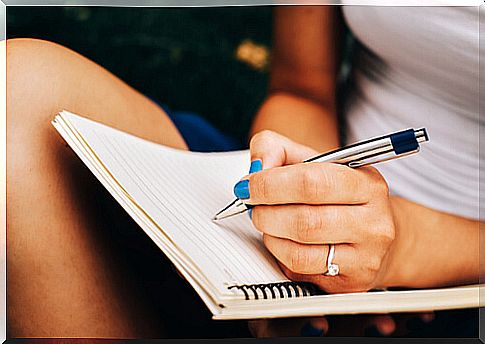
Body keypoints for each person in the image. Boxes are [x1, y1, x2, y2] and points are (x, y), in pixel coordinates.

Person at [5, 5, 481, 338]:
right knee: (16, 89)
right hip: (320, 170)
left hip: (459, 276)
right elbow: (301, 87)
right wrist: (304, 193)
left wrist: (400, 249)